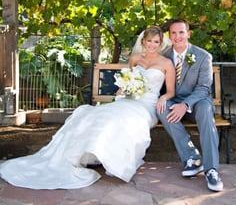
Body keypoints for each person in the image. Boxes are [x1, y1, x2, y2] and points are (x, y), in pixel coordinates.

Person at [0, 26, 175, 190]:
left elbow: (171, 92)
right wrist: (124, 88)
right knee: (93, 115)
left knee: (122, 119)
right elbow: (127, 80)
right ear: (143, 41)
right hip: (127, 101)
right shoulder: (135, 59)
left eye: (156, 42)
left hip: (147, 106)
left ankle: (113, 159)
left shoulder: (166, 63)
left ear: (161, 44)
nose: (152, 45)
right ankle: (83, 154)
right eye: (149, 41)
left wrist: (164, 97)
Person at [157, 19, 223, 192]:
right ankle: (191, 157)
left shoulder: (203, 56)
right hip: (173, 100)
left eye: (181, 32)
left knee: (206, 112)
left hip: (197, 102)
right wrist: (163, 99)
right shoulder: (163, 56)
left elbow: (203, 88)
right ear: (169, 35)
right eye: (173, 33)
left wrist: (185, 104)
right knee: (162, 109)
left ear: (188, 33)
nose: (177, 36)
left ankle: (212, 170)